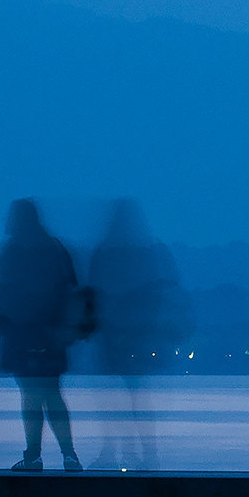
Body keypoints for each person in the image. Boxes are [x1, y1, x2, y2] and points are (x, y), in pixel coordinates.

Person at [88, 200, 190, 470]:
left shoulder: (106, 251)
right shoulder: (150, 252)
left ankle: (114, 453)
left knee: (114, 398)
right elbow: (165, 287)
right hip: (137, 334)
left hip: (114, 333)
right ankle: (146, 454)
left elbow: (93, 288)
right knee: (136, 396)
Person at [0, 199, 87, 471]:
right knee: (52, 393)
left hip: (22, 334)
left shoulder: (10, 252)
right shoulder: (55, 249)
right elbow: (72, 287)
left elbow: (1, 293)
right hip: (51, 334)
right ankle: (69, 454)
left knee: (30, 396)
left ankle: (33, 455)